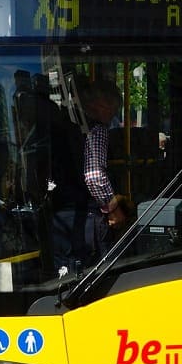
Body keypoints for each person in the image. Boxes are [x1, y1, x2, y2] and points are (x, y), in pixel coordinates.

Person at [80, 78, 129, 247]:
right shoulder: (98, 129)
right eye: (112, 109)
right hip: (93, 216)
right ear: (99, 103)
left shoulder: (75, 125)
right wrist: (113, 209)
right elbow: (94, 176)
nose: (113, 115)